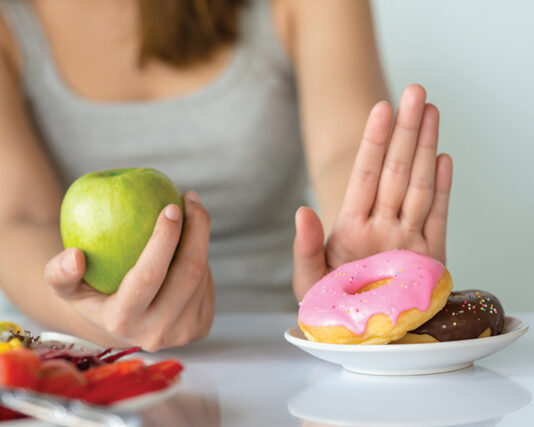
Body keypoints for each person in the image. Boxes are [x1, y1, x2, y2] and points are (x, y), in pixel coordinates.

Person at [0, 0, 452, 351]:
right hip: (74, 367)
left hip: (281, 357)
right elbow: (16, 216)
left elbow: (344, 154)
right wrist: (95, 321)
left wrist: (361, 262)